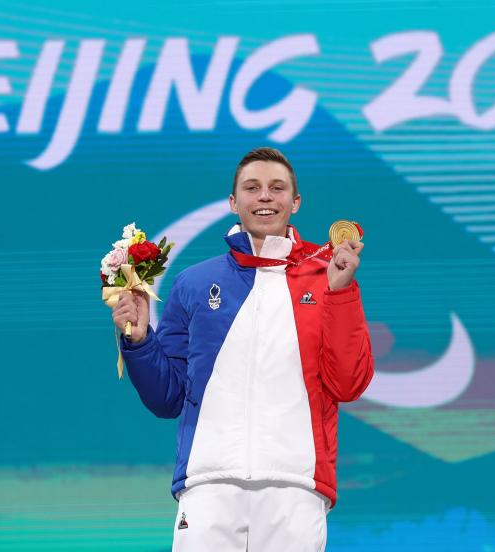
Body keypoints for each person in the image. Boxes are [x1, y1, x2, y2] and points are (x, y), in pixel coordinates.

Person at [111, 147, 374, 551]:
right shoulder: (194, 283)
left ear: (295, 202)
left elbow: (349, 384)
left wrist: (341, 294)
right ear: (234, 202)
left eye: (276, 188)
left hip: (296, 484)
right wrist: (140, 341)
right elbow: (166, 398)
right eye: (252, 188)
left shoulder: (329, 278)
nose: (265, 196)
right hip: (208, 483)